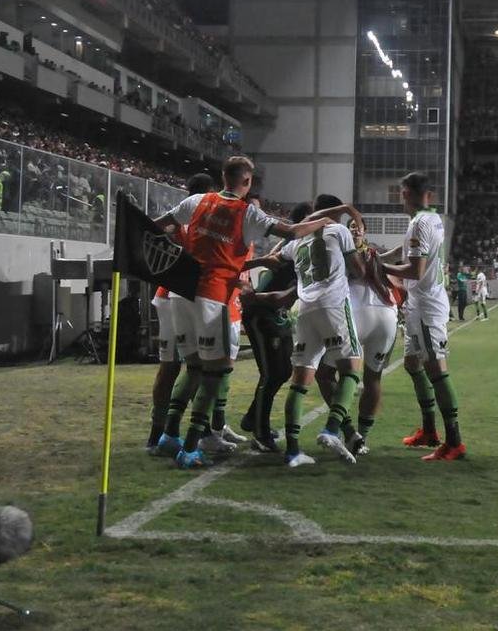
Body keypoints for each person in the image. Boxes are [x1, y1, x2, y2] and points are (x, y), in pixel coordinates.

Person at [155, 156, 343, 469]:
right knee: (214, 373)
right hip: (211, 297)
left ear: (223, 177)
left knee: (193, 367)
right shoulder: (246, 212)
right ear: (248, 182)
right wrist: (324, 221)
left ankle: (169, 434)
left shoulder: (197, 201)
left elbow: (160, 225)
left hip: (179, 294)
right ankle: (190, 448)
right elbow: (293, 231)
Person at [255, 194, 365, 467]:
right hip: (334, 306)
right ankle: (331, 429)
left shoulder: (296, 242)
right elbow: (359, 271)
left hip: (305, 311)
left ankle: (292, 451)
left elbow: (273, 259)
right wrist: (359, 244)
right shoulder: (339, 230)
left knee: (300, 381)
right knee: (351, 369)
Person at [383, 172, 466, 461]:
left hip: (427, 305)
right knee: (411, 363)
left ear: (406, 193)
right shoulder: (431, 218)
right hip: (419, 304)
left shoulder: (420, 224)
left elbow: (415, 271)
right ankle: (430, 430)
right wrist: (382, 257)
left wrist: (382, 270)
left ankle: (454, 441)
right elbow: (406, 250)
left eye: (402, 193)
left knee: (436, 369)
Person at [316, 216, 403, 456]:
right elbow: (395, 273)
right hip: (387, 315)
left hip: (355, 314)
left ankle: (350, 432)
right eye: (351, 226)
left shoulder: (339, 250)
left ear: (363, 232)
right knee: (373, 378)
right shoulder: (374, 254)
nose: (354, 229)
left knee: (325, 374)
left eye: (357, 226)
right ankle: (360, 438)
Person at [146, 172, 214, 454]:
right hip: (186, 296)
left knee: (171, 366)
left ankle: (158, 433)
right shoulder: (198, 220)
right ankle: (177, 432)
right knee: (201, 365)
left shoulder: (174, 220)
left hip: (166, 295)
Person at [237, 201, 312, 453]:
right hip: (261, 313)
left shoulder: (300, 247)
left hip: (273, 312)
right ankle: (259, 432)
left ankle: (252, 419)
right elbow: (282, 295)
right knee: (271, 374)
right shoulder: (298, 248)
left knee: (281, 371)